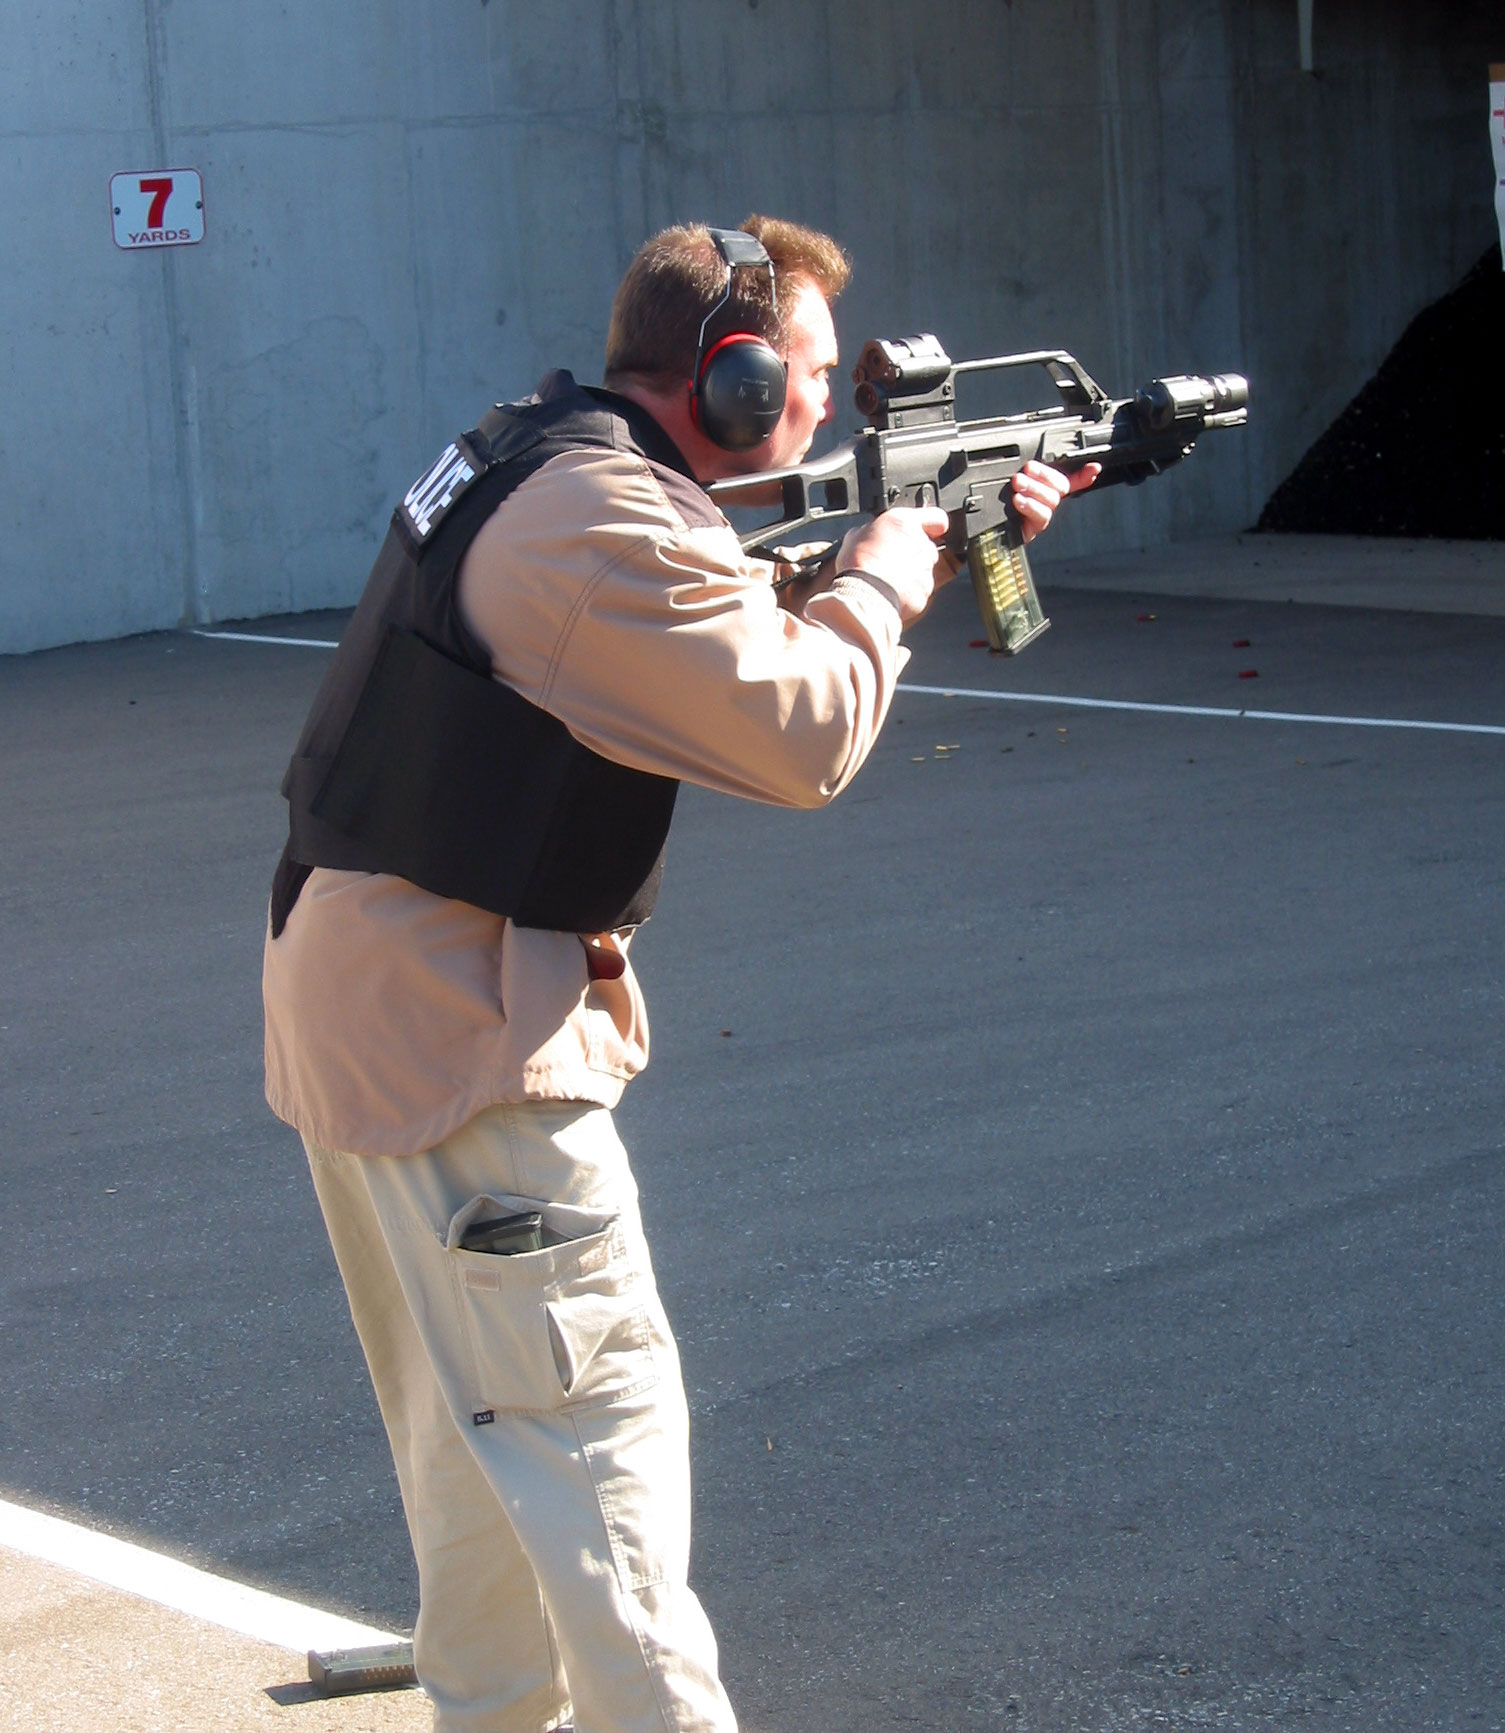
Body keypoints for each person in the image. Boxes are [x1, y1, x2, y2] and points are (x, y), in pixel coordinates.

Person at [263, 215, 1095, 1733]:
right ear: (730, 379)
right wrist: (885, 574)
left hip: (373, 1011)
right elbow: (796, 735)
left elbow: (673, 626)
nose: (831, 404)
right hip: (463, 1047)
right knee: (603, 1472)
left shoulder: (539, 452)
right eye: (813, 375)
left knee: (482, 1460)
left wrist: (891, 550)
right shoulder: (604, 520)